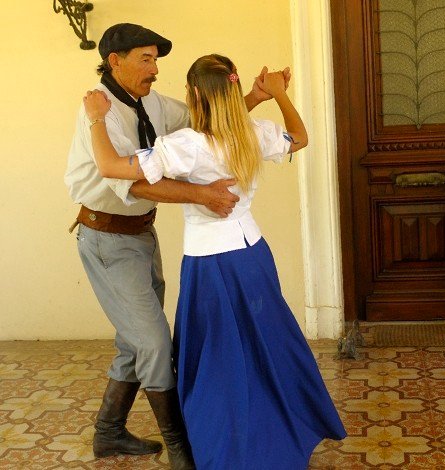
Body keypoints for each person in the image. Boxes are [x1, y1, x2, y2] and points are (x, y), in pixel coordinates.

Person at [82, 53, 347, 469]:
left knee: (220, 359)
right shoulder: (253, 133)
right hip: (254, 255)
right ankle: (289, 422)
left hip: (211, 264)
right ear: (230, 92)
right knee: (266, 345)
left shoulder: (185, 146)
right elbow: (300, 136)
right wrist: (276, 95)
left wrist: (96, 118)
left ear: (193, 96)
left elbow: (110, 166)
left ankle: (226, 448)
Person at [65, 23, 289, 469]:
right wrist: (202, 194)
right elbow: (129, 179)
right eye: (145, 59)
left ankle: (108, 432)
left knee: (136, 342)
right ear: (115, 61)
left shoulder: (153, 102)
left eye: (156, 60)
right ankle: (181, 446)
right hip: (106, 236)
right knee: (152, 342)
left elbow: (206, 130)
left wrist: (253, 98)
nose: (154, 69)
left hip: (139, 236)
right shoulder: (101, 111)